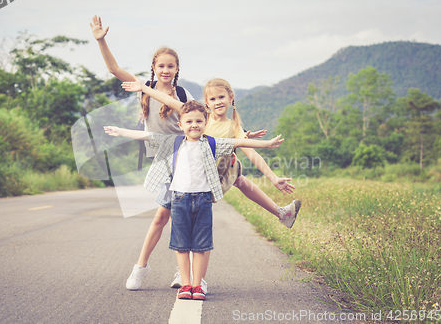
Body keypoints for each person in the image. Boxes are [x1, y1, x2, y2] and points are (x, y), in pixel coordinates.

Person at [91, 16, 265, 292]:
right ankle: (151, 269)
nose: (165, 70)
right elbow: (113, 69)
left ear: (177, 69)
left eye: (170, 66)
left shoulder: (182, 95)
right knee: (167, 216)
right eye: (161, 66)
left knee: (170, 216)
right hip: (164, 161)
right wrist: (101, 40)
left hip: (187, 161)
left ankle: (164, 271)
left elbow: (205, 120)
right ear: (154, 68)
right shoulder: (142, 89)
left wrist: (241, 135)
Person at [122, 77, 301, 288]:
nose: (217, 102)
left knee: (206, 222)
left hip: (206, 181)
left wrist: (273, 177)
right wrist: (144, 88)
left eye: (221, 97)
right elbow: (169, 101)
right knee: (162, 216)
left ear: (231, 98)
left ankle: (197, 278)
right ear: (206, 102)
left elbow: (250, 151)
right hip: (181, 175)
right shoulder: (199, 115)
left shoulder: (234, 126)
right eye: (213, 98)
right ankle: (143, 268)